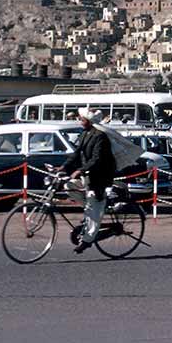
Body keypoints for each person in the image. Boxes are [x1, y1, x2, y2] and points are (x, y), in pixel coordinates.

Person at [59, 108, 117, 253]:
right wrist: (63, 167)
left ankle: (87, 240)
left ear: (89, 121)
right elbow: (77, 153)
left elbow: (97, 159)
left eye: (81, 119)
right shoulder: (85, 134)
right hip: (89, 176)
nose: (79, 121)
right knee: (69, 185)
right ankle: (90, 210)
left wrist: (80, 170)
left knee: (93, 205)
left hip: (100, 177)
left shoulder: (100, 136)